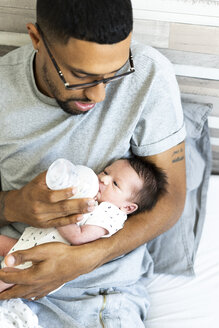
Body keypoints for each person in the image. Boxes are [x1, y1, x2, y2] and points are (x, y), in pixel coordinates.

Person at [0, 0, 186, 326]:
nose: (99, 96)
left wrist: (87, 257)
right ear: (36, 39)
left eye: (114, 74)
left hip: (98, 292)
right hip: (11, 266)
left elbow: (171, 199)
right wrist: (13, 206)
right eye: (81, 76)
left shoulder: (149, 76)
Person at [0, 157, 167, 292]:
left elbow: (79, 237)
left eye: (115, 184)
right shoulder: (92, 195)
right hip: (29, 242)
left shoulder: (111, 214)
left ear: (127, 207)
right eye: (106, 171)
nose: (104, 179)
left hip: (44, 260)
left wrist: (59, 212)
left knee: (6, 277)